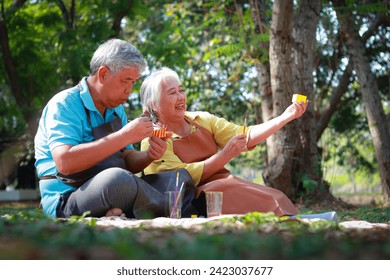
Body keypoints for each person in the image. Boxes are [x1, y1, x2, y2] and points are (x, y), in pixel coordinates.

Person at [34, 39, 194, 219]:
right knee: (118, 181)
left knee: (178, 178)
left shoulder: (116, 110)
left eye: (133, 82)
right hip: (67, 199)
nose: (129, 90)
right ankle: (172, 208)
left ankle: (152, 207)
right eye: (125, 81)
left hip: (113, 188)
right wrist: (124, 136)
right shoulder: (64, 104)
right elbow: (65, 162)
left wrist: (150, 155)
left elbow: (127, 160)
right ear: (103, 74)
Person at [139, 67, 308, 217]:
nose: (180, 97)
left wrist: (285, 117)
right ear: (153, 104)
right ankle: (290, 224)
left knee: (276, 196)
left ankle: (291, 222)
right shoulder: (153, 138)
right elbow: (180, 179)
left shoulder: (202, 119)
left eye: (181, 90)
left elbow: (245, 135)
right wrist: (225, 155)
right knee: (252, 197)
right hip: (195, 198)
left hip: (226, 183)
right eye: (172, 93)